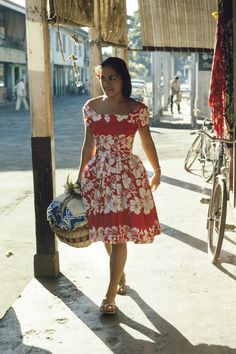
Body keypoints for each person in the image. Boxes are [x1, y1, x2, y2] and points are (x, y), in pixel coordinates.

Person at [77, 57, 161, 315]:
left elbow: (146, 141)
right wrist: (80, 176)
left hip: (126, 177)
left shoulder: (137, 109)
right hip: (99, 176)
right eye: (104, 77)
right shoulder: (91, 108)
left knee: (119, 235)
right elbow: (88, 145)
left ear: (124, 79)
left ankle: (110, 294)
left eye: (113, 77)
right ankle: (120, 275)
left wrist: (157, 169)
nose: (108, 82)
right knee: (106, 232)